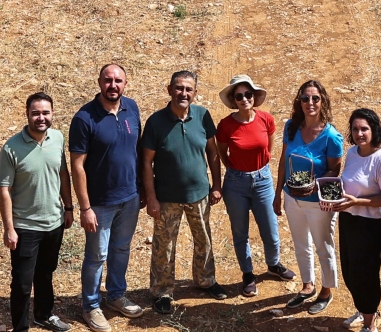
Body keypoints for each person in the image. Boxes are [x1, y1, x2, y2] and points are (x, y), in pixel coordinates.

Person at [140, 69, 229, 313]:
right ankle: (162, 292)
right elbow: (146, 161)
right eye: (179, 88)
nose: (183, 93)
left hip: (199, 194)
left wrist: (217, 185)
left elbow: (212, 153)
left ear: (195, 93)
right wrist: (151, 198)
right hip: (166, 198)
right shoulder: (156, 122)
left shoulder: (202, 116)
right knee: (164, 246)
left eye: (188, 89)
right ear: (169, 90)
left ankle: (205, 280)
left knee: (204, 240)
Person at [0, 92, 74, 332]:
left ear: (52, 113)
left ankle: (44, 314)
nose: (41, 118)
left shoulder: (58, 139)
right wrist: (9, 228)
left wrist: (69, 206)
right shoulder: (11, 148)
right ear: (27, 115)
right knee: (21, 283)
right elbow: (4, 190)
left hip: (54, 222)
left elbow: (63, 173)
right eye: (36, 113)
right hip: (25, 226)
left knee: (46, 272)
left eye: (46, 113)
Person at [69, 62, 145, 332]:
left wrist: (143, 190)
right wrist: (85, 207)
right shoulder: (84, 118)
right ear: (99, 82)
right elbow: (77, 165)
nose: (113, 86)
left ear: (126, 83)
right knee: (96, 255)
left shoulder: (132, 109)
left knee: (121, 249)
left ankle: (115, 295)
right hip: (99, 203)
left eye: (118, 81)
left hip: (130, 197)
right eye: (108, 80)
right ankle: (90, 305)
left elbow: (137, 152)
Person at [214, 74, 297, 297]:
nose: (244, 99)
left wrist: (258, 168)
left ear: (254, 96)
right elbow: (222, 152)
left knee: (270, 228)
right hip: (235, 183)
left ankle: (273, 264)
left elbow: (268, 150)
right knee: (240, 231)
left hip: (262, 180)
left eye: (248, 94)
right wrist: (235, 169)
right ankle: (248, 274)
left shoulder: (266, 119)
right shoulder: (226, 125)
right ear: (234, 99)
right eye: (239, 96)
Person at [322, 108, 381, 332]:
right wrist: (331, 199)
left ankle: (370, 326)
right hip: (349, 219)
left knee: (366, 274)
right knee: (350, 270)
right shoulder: (352, 153)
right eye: (355, 129)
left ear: (374, 130)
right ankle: (365, 311)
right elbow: (347, 184)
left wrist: (358, 202)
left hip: (372, 224)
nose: (360, 133)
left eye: (364, 128)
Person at [274, 79, 343, 314]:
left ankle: (326, 291)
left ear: (322, 101)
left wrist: (317, 188)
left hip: (318, 203)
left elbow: (336, 169)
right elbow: (284, 161)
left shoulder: (331, 136)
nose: (310, 103)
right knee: (301, 243)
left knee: (323, 246)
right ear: (299, 102)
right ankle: (307, 285)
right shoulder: (291, 127)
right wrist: (277, 194)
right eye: (305, 98)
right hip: (292, 197)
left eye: (315, 98)